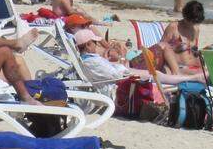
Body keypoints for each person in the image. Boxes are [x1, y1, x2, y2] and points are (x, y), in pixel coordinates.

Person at [75, 28, 203, 100]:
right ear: (87, 45)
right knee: (157, 72)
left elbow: (108, 71)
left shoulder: (88, 59)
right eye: (94, 43)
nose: (97, 45)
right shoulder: (91, 61)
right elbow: (113, 74)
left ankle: (196, 77)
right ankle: (195, 78)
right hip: (120, 83)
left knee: (158, 73)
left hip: (121, 76)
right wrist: (124, 66)